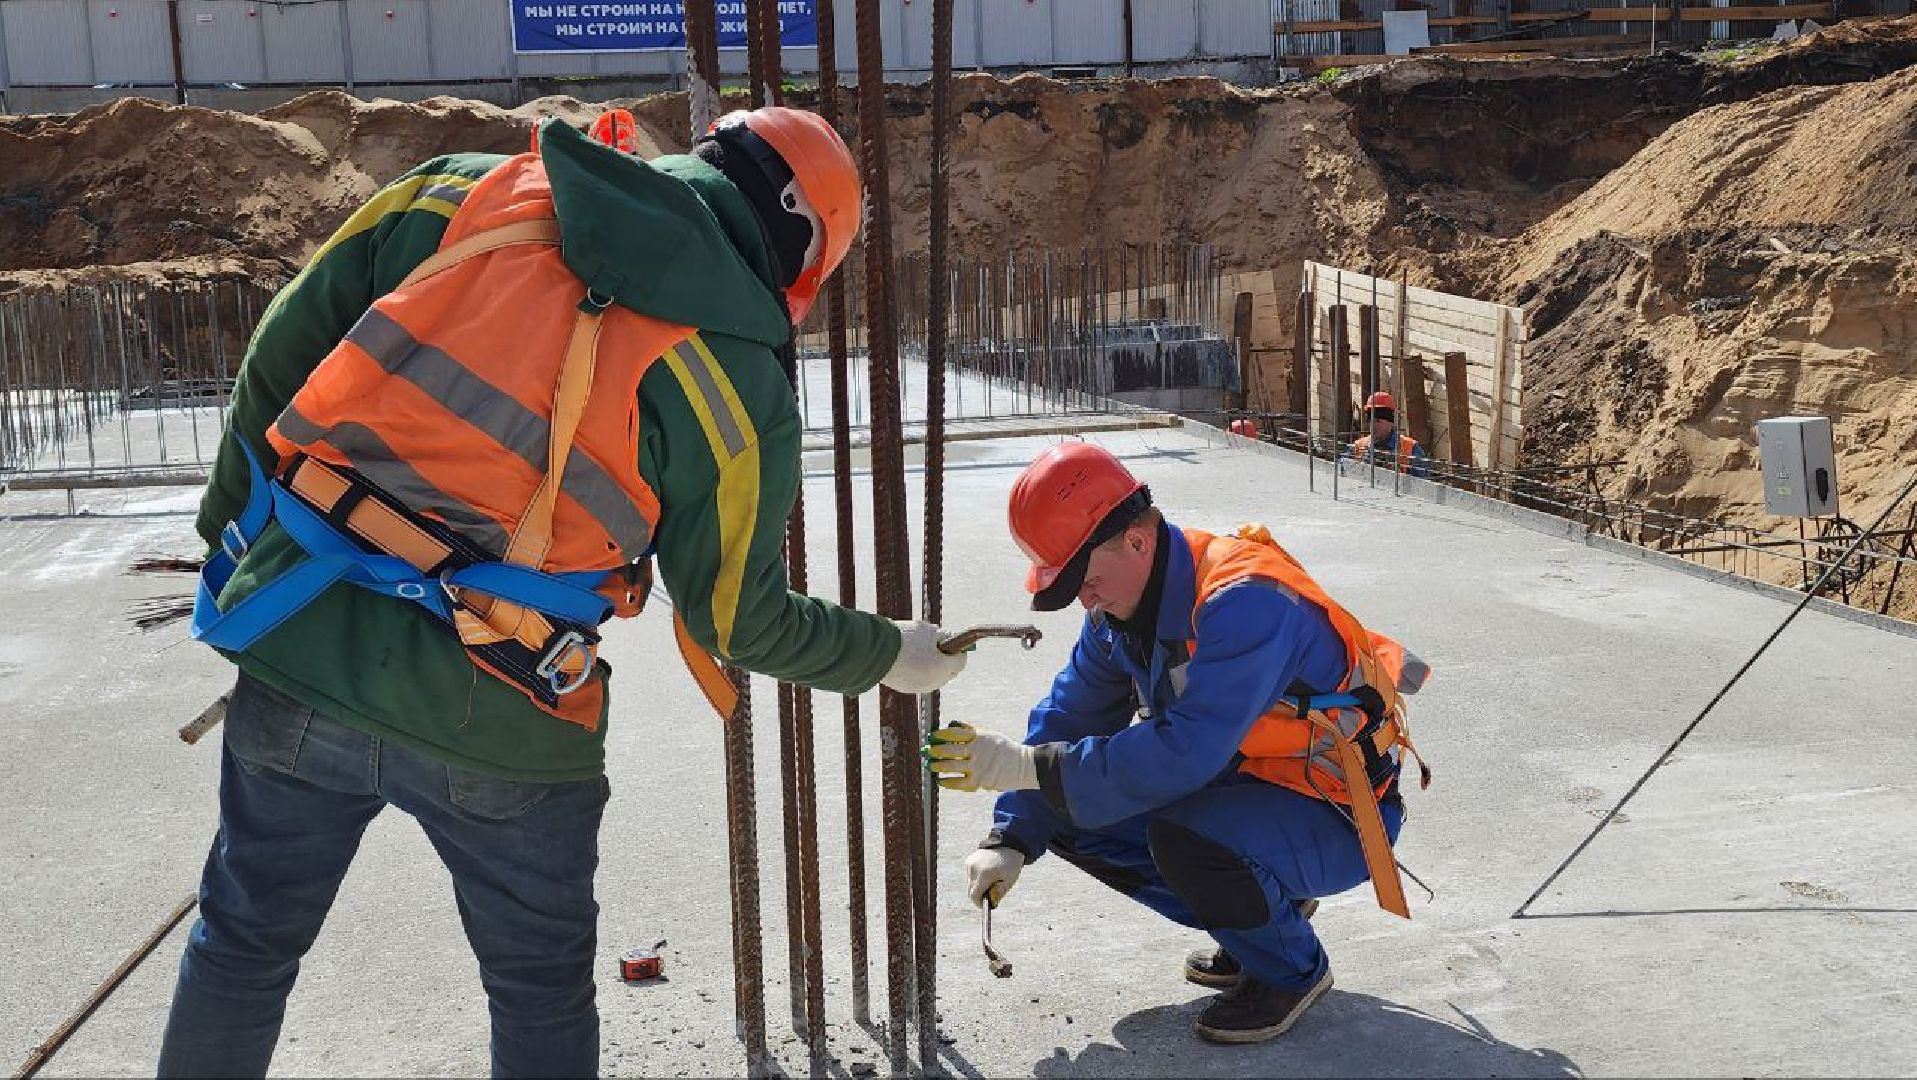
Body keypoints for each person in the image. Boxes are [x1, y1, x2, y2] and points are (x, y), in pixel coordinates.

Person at [161, 106, 968, 1078]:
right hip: (506, 704)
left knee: (242, 950)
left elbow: (275, 367)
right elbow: (736, 620)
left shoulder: (459, 191)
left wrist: (238, 549)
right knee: (539, 994)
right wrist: (891, 652)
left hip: (305, 642)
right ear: (797, 254)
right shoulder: (735, 377)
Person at [925, 441, 1430, 1044]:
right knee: (1063, 809)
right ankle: (1263, 920)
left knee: (1182, 835)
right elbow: (1070, 715)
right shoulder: (1120, 613)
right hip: (1248, 792)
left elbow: (1184, 751)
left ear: (1137, 541)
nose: (1084, 599)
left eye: (1084, 580)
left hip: (1332, 813)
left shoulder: (1245, 603)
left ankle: (1291, 970)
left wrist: (1029, 766)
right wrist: (1012, 834)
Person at [1343, 391, 1429, 477]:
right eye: (1371, 421)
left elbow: (1422, 485)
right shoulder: (1358, 446)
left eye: (1378, 421)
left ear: (1391, 422)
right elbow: (1341, 471)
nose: (1373, 426)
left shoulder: (1410, 449)